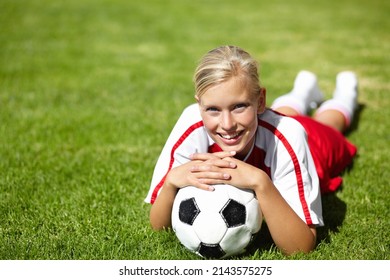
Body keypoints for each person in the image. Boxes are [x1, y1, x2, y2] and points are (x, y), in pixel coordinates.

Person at [144, 46, 358, 255]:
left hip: (312, 145)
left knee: (329, 124)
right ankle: (303, 89)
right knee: (281, 113)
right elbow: (159, 227)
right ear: (200, 106)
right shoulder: (192, 123)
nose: (227, 124)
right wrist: (171, 181)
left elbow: (301, 247)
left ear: (260, 101)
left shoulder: (289, 135)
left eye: (239, 106)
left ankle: (346, 93)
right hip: (262, 124)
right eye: (213, 109)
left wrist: (260, 182)